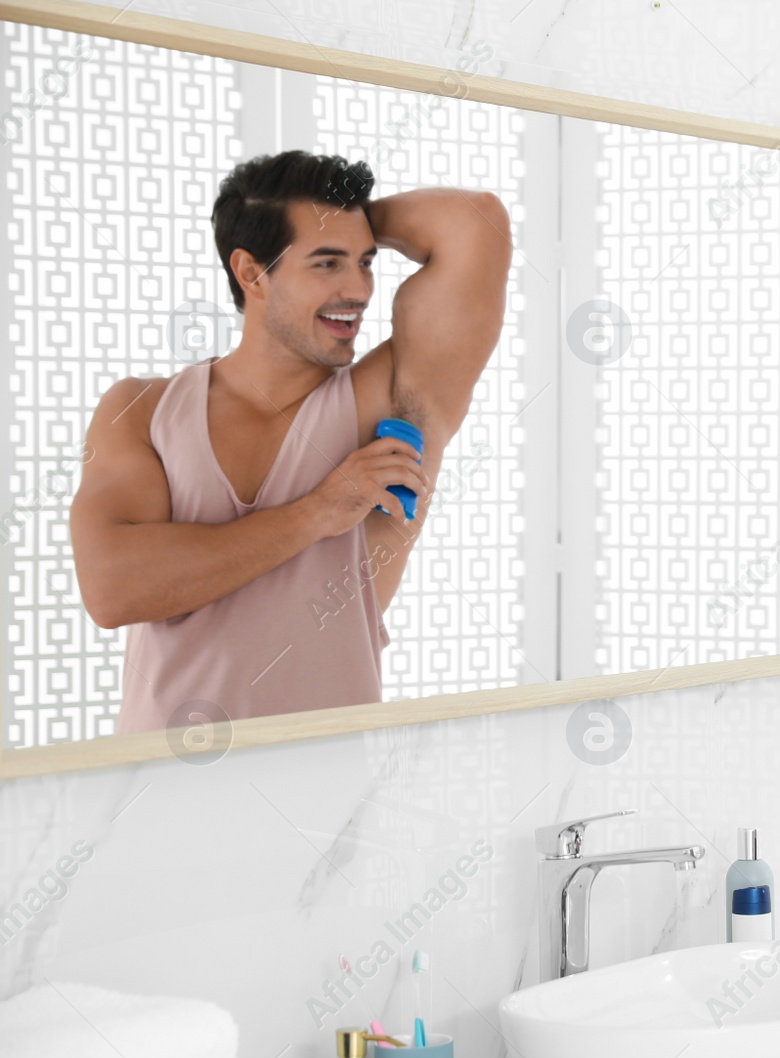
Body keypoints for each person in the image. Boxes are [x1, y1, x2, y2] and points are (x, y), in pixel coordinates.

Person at [70, 150, 512, 735]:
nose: (358, 289)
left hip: (331, 796)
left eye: (366, 261)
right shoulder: (141, 410)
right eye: (327, 263)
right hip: (160, 790)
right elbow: (113, 590)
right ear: (251, 272)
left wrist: (341, 220)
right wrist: (319, 512)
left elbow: (475, 222)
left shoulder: (394, 397)